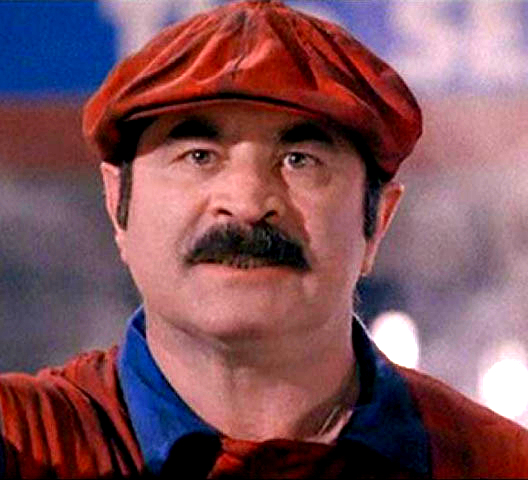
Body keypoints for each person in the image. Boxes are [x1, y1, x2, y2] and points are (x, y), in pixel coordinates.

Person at [1, 1, 528, 478]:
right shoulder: (25, 442)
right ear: (119, 203)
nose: (249, 202)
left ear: (378, 221)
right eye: (199, 156)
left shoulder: (496, 464)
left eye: (300, 160)